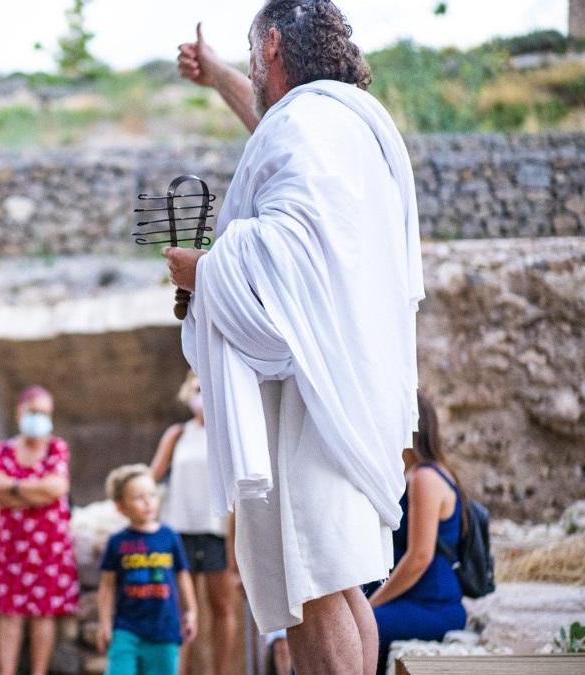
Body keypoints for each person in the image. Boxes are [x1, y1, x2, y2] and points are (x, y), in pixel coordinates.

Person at [169, 3, 424, 672]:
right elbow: (274, 138)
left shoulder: (310, 123)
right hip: (349, 376)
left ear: (275, 43)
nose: (252, 67)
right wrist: (222, 75)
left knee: (312, 583)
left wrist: (204, 268)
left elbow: (291, 245)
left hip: (314, 392)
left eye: (252, 53)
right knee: (338, 581)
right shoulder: (338, 123)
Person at [0, 385, 79, 675]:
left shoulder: (56, 448)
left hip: (49, 544)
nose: (39, 418)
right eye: (33, 411)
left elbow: (57, 488)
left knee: (43, 614)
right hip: (11, 542)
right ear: (19, 411)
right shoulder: (4, 450)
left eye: (44, 413)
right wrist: (36, 491)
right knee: (9, 613)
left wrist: (13, 487)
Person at [367, 395, 466, 672]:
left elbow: (419, 557)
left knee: (353, 632)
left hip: (432, 606)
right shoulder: (416, 474)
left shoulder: (425, 478)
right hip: (412, 602)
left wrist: (371, 606)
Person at [149, 374, 237, 674]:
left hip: (216, 531)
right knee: (180, 607)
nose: (201, 395)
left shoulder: (228, 433)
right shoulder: (177, 435)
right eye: (197, 389)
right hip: (178, 530)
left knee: (221, 606)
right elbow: (151, 478)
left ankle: (221, 670)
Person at [97, 464, 198, 675]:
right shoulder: (117, 542)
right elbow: (106, 587)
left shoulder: (169, 537)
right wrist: (105, 624)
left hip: (165, 630)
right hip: (126, 630)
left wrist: (191, 611)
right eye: (137, 497)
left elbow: (182, 576)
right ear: (120, 507)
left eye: (152, 495)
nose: (148, 502)